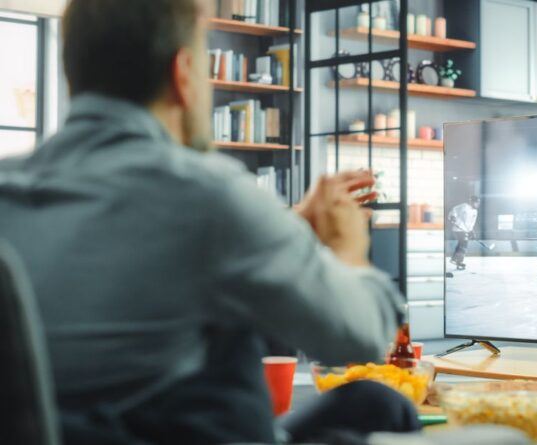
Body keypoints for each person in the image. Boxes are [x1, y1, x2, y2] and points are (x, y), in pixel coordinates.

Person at [0, 1, 420, 444]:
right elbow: (361, 338)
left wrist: (292, 225)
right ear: (183, 73)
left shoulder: (8, 188)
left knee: (375, 404)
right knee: (380, 405)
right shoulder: (207, 195)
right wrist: (349, 251)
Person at [448, 196, 480, 270]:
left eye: (479, 202)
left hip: (465, 230)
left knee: (461, 244)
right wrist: (453, 216)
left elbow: (471, 223)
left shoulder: (475, 211)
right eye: (477, 202)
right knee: (464, 244)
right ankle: (458, 261)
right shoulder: (464, 206)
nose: (478, 204)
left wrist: (472, 231)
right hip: (458, 228)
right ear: (471, 202)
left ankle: (454, 259)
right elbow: (454, 210)